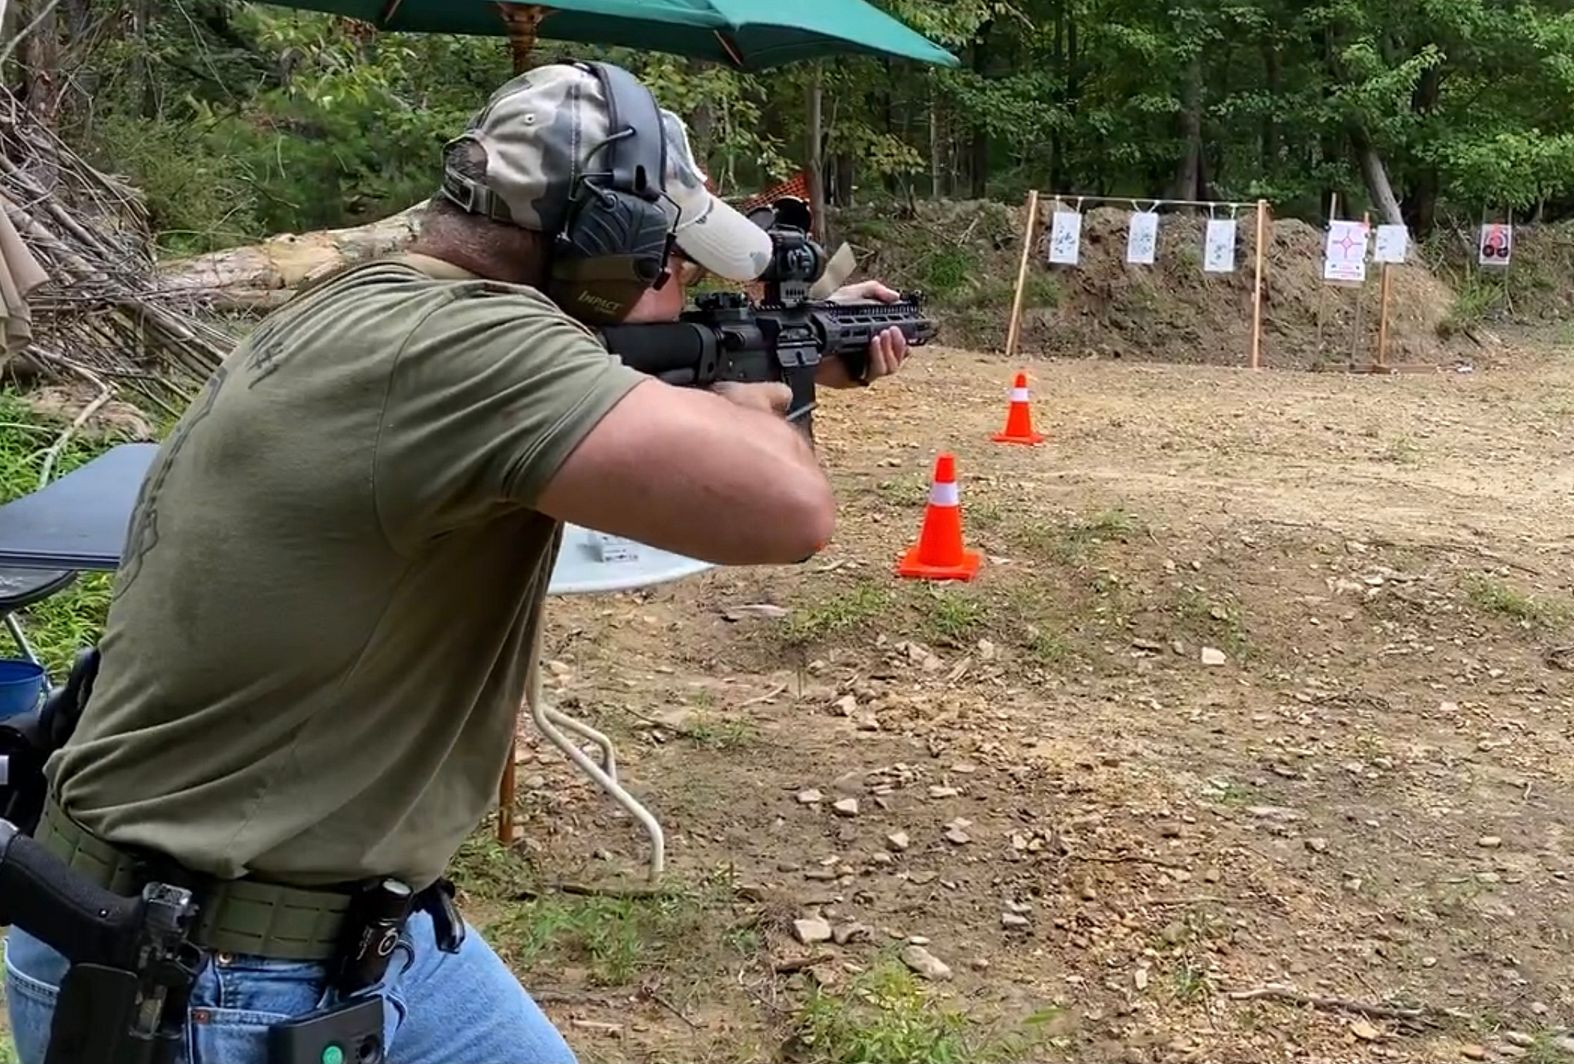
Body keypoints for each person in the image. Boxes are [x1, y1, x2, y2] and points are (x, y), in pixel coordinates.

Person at [3, 61, 908, 1064]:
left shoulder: (375, 304)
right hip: (212, 970)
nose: (682, 289)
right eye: (674, 264)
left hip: (342, 928)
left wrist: (781, 350)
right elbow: (787, 513)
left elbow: (610, 388)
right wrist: (763, 389)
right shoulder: (471, 347)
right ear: (607, 243)